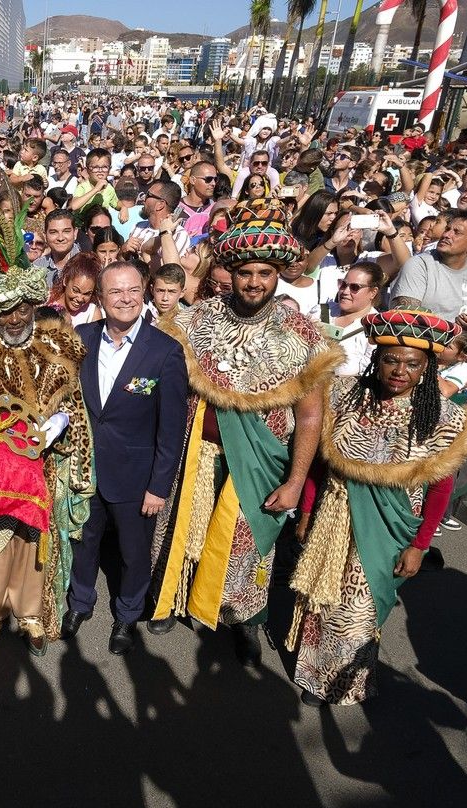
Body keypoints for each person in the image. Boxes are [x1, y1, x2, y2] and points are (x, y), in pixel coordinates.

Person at [147, 201, 343, 663]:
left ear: (278, 275)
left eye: (266, 273)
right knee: (179, 528)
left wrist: (295, 481)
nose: (255, 282)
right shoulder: (194, 321)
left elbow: (311, 416)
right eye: (245, 272)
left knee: (247, 543)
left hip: (258, 460)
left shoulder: (303, 335)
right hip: (193, 453)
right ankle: (169, 599)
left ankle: (243, 617)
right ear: (229, 272)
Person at [288, 309, 467, 705]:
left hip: (389, 526)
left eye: (412, 364)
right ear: (376, 360)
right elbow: (319, 464)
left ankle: (341, 682)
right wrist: (308, 511)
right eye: (390, 360)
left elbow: (440, 490)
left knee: (360, 607)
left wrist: (420, 544)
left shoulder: (444, 418)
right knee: (322, 599)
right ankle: (311, 671)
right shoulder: (344, 396)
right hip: (334, 513)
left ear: (426, 367)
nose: (400, 371)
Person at [0, 255, 95, 656]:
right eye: (6, 311)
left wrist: (60, 424)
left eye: (23, 309)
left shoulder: (59, 350)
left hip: (43, 468)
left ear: (34, 307)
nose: (14, 319)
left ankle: (30, 613)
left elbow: (75, 407)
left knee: (34, 541)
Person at [64, 260, 187, 655]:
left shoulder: (165, 352)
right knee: (84, 542)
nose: (126, 299)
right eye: (116, 291)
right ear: (100, 298)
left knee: (134, 553)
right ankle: (80, 603)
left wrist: (158, 486)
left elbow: (171, 430)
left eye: (133, 290)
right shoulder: (80, 338)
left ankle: (127, 613)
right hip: (84, 469)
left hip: (135, 477)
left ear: (145, 291)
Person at [387, 209, 467, 322]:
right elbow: (406, 317)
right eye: (447, 229)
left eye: (457, 232)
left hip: (462, 337)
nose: (446, 235)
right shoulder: (419, 265)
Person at [329, 262, 385, 376]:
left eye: (355, 287)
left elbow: (369, 372)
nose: (345, 292)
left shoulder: (376, 327)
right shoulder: (321, 312)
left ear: (373, 292)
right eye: (343, 284)